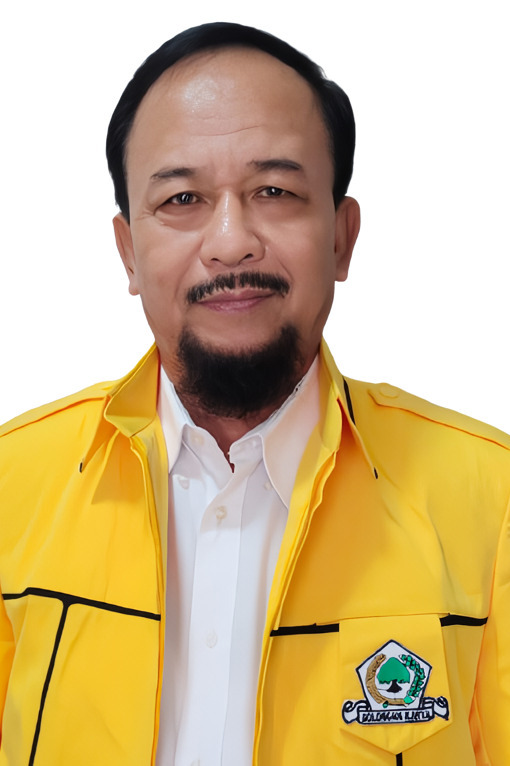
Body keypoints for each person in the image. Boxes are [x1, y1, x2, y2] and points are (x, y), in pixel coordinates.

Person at [0, 21, 509, 766]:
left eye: (275, 191)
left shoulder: (491, 498)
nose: (231, 241)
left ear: (341, 237)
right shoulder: (12, 487)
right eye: (182, 198)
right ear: (128, 252)